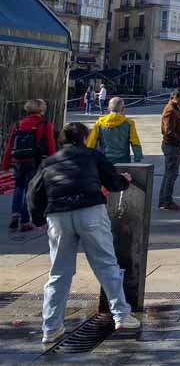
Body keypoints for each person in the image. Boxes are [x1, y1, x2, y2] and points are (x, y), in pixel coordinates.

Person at [27, 122, 141, 345]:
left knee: (59, 272)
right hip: (90, 210)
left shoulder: (49, 162)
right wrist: (124, 182)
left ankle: (51, 327)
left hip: (58, 215)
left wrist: (39, 219)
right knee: (106, 264)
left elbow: (34, 191)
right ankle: (121, 314)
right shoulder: (92, 155)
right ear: (85, 138)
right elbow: (113, 181)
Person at [2, 99, 56, 232]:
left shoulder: (18, 124)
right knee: (30, 190)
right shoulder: (44, 124)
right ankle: (25, 220)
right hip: (34, 160)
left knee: (18, 188)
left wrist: (6, 163)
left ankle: (15, 214)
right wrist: (54, 161)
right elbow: (50, 144)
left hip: (18, 161)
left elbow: (10, 144)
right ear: (41, 109)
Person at [86, 97, 143, 164]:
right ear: (123, 109)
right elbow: (135, 141)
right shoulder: (129, 123)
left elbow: (91, 141)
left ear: (108, 109)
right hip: (123, 161)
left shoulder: (99, 122)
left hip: (104, 161)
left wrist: (88, 157)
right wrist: (138, 157)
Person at [159, 90, 180, 211]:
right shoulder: (170, 110)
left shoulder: (175, 109)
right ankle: (167, 201)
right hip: (172, 145)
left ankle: (164, 200)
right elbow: (168, 131)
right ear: (176, 97)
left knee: (169, 174)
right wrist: (179, 140)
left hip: (173, 145)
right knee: (171, 174)